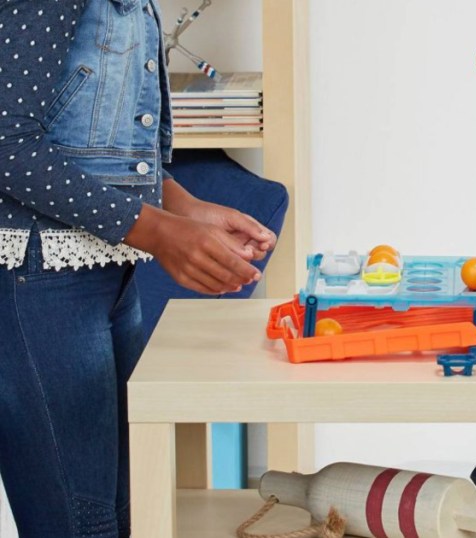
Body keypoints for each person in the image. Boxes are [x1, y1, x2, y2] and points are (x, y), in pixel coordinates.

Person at [0, 1, 276, 536]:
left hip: (107, 267)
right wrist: (155, 231)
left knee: (126, 505)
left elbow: (88, 134)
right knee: (82, 520)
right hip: (39, 278)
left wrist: (178, 205)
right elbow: (7, 146)